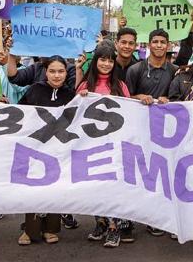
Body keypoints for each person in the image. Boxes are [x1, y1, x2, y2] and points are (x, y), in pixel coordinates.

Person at [76, 44, 135, 248]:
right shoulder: (85, 86)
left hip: (114, 145)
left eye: (110, 60)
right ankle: (100, 222)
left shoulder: (121, 86)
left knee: (112, 188)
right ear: (96, 61)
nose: (106, 64)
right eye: (102, 59)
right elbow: (74, 115)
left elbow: (130, 114)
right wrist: (80, 98)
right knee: (94, 186)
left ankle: (113, 227)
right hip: (90, 145)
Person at [18, 56, 75, 246]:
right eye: (52, 71)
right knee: (33, 187)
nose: (57, 75)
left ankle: (51, 228)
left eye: (61, 71)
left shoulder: (71, 95)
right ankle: (30, 229)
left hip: (60, 149)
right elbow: (19, 114)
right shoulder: (34, 90)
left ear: (66, 73)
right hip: (35, 147)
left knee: (55, 188)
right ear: (45, 72)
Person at [125, 29, 177, 105]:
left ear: (168, 46)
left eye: (162, 42)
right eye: (155, 42)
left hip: (165, 115)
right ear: (149, 45)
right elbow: (126, 98)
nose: (159, 45)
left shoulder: (175, 71)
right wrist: (139, 97)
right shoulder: (134, 70)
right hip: (140, 115)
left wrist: (168, 99)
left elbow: (178, 98)